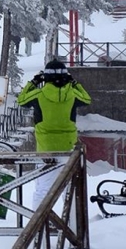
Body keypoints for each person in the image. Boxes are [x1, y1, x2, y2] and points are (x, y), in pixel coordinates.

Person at [17, 60, 91, 210]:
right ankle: (71, 221)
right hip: (69, 148)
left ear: (46, 77)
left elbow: (21, 100)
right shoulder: (73, 94)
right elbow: (87, 99)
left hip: (46, 148)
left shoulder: (39, 94)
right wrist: (74, 83)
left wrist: (34, 82)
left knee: (43, 189)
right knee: (70, 189)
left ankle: (39, 221)